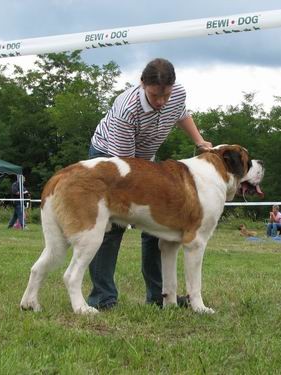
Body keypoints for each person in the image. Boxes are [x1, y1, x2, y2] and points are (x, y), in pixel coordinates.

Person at [87, 58, 212, 310]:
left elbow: (181, 113)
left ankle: (160, 296)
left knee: (157, 226)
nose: (161, 102)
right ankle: (103, 298)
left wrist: (199, 141)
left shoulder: (176, 94)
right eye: (155, 95)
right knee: (111, 226)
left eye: (165, 95)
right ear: (143, 83)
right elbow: (124, 166)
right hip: (111, 160)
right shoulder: (126, 109)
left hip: (146, 161)